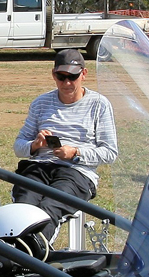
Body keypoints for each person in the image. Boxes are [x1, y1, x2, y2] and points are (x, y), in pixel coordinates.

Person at [12, 48, 118, 238]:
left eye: (72, 76)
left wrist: (76, 153)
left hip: (77, 173)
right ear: (54, 75)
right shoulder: (40, 103)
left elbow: (110, 152)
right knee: (24, 207)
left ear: (84, 74)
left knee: (49, 208)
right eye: (61, 77)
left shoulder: (99, 104)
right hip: (38, 167)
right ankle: (13, 253)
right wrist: (35, 145)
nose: (67, 83)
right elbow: (19, 146)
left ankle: (34, 256)